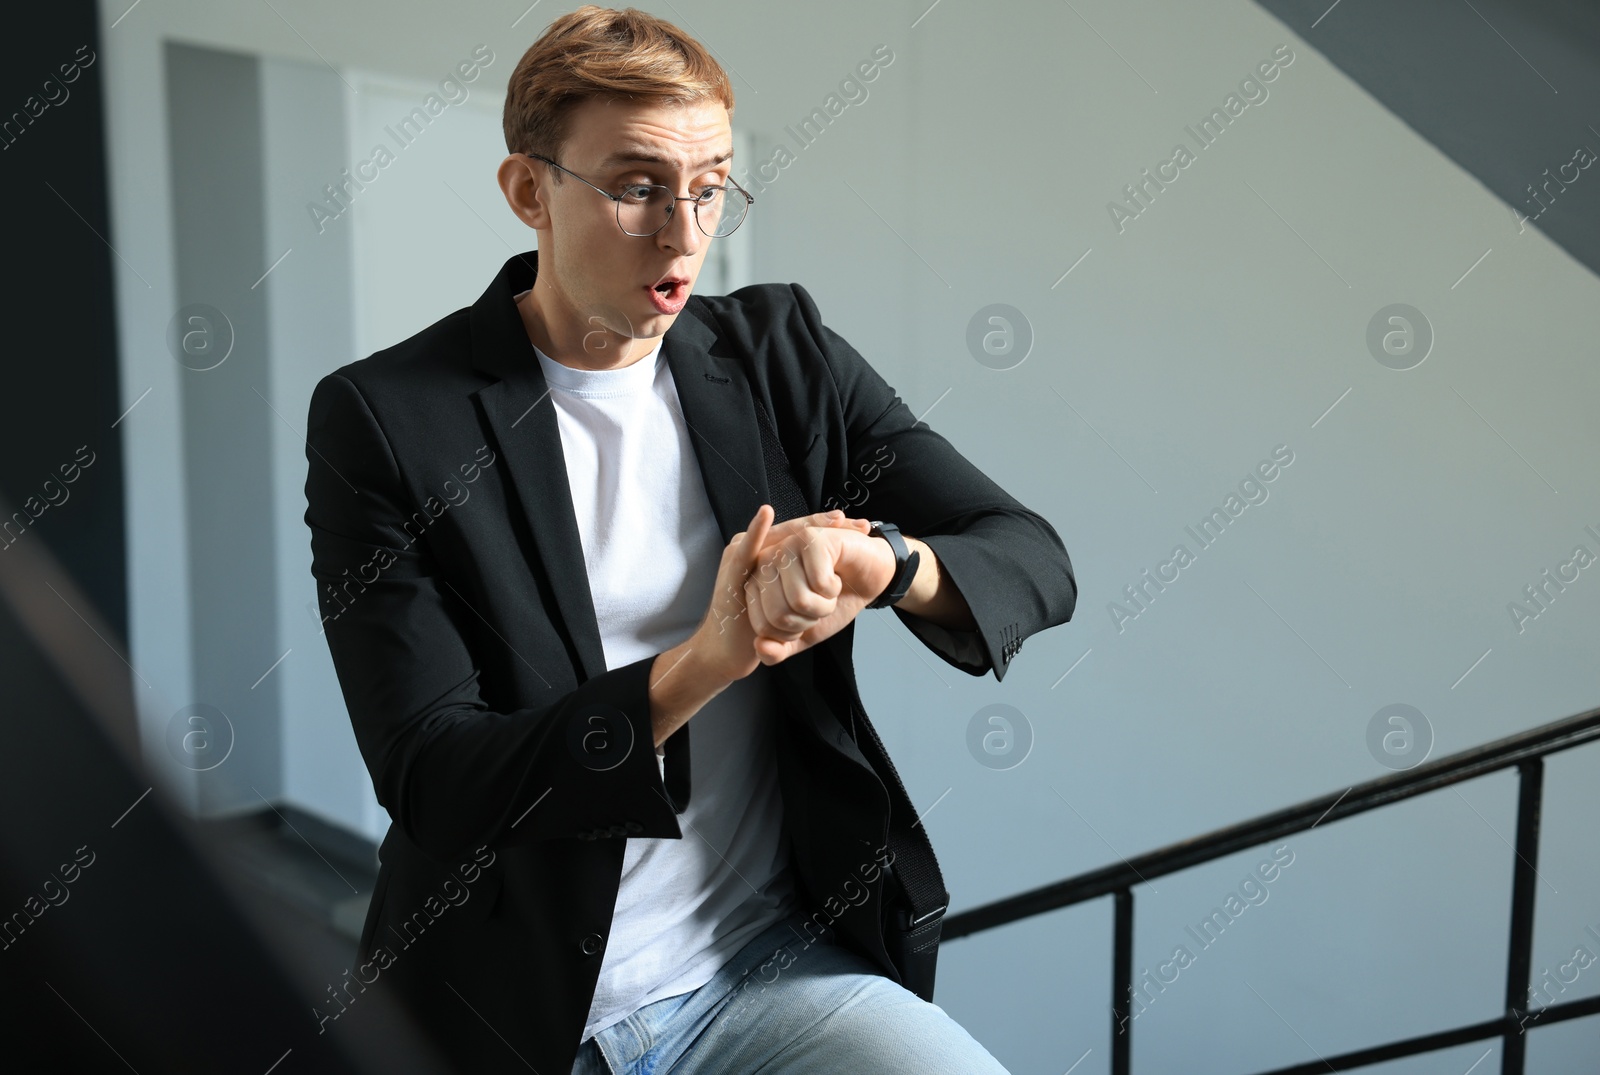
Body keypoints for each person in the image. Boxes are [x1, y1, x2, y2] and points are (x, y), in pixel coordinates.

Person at [302, 6, 1076, 1073]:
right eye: (636, 188)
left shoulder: (781, 353)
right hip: (521, 1013)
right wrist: (709, 658)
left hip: (766, 969)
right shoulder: (390, 418)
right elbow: (436, 774)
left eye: (710, 185)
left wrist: (888, 563)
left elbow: (1028, 552)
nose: (684, 232)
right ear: (528, 190)